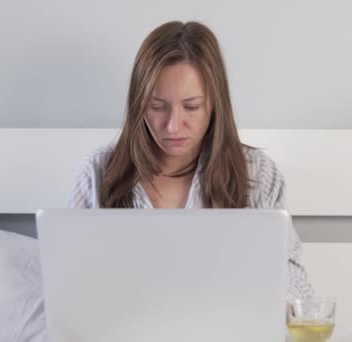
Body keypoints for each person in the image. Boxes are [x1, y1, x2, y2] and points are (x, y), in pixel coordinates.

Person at [68, 21, 314, 300]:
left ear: (215, 104)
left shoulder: (257, 173)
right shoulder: (97, 173)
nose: (173, 126)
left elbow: (293, 280)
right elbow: (72, 285)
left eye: (191, 107)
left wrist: (283, 304)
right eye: (157, 106)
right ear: (138, 104)